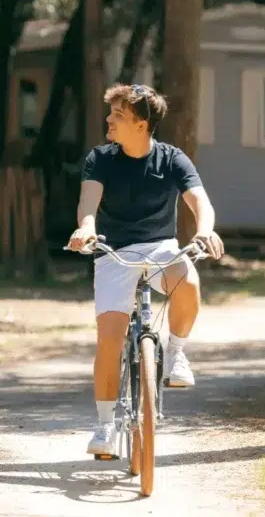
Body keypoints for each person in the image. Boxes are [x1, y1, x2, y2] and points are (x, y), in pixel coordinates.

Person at [67, 83, 225, 456]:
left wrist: (204, 231)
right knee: (108, 339)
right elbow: (88, 202)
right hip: (113, 252)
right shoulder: (101, 158)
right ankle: (105, 426)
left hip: (161, 248)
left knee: (188, 281)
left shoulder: (172, 159)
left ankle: (175, 354)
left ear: (141, 124)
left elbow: (199, 200)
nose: (109, 120)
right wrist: (86, 228)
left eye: (118, 116)